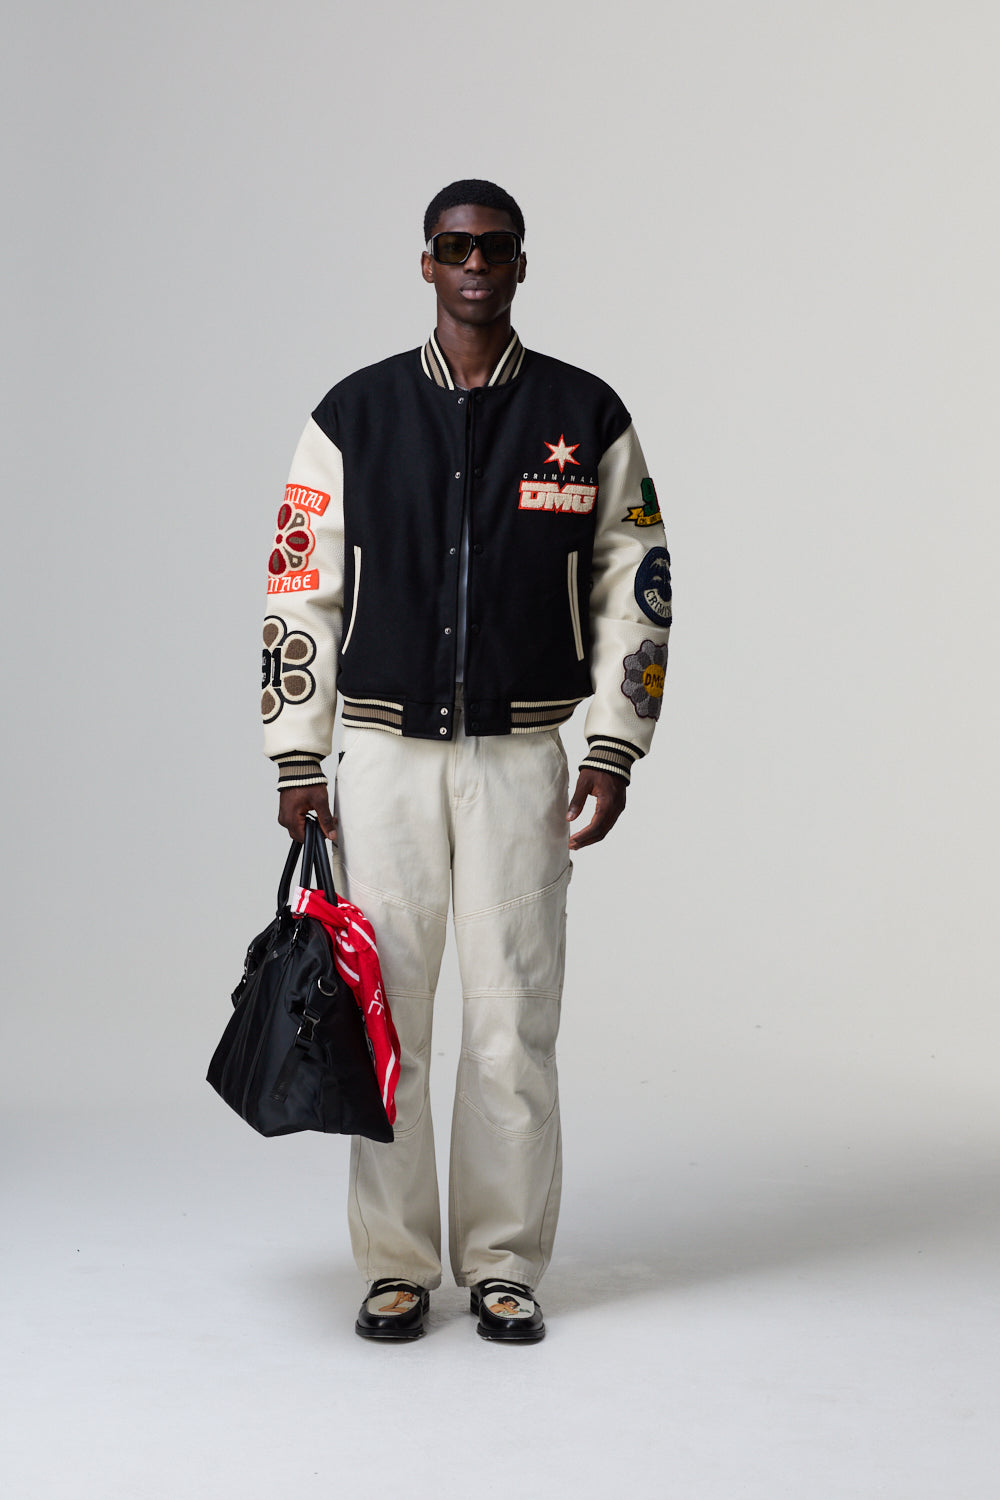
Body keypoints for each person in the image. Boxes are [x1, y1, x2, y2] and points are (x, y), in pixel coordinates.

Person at [261, 179, 672, 1344]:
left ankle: (501, 1263)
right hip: (381, 760)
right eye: (454, 247)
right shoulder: (354, 415)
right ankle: (395, 1264)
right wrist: (298, 760)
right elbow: (299, 588)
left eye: (494, 247)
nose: (475, 264)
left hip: (522, 762)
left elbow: (636, 589)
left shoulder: (584, 414)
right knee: (386, 1020)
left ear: (521, 265)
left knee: (511, 1020)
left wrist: (614, 744)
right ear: (427, 264)